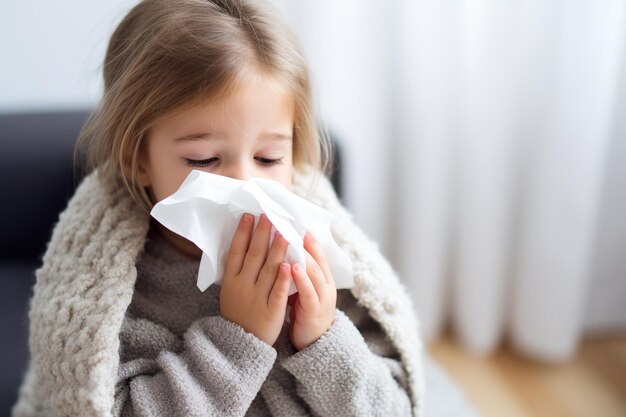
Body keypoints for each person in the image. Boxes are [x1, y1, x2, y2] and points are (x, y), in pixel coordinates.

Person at [12, 0, 424, 416]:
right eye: (204, 160)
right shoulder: (113, 294)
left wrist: (323, 340)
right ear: (138, 160)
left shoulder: (316, 258)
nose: (244, 185)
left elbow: (394, 407)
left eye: (267, 158)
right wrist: (237, 341)